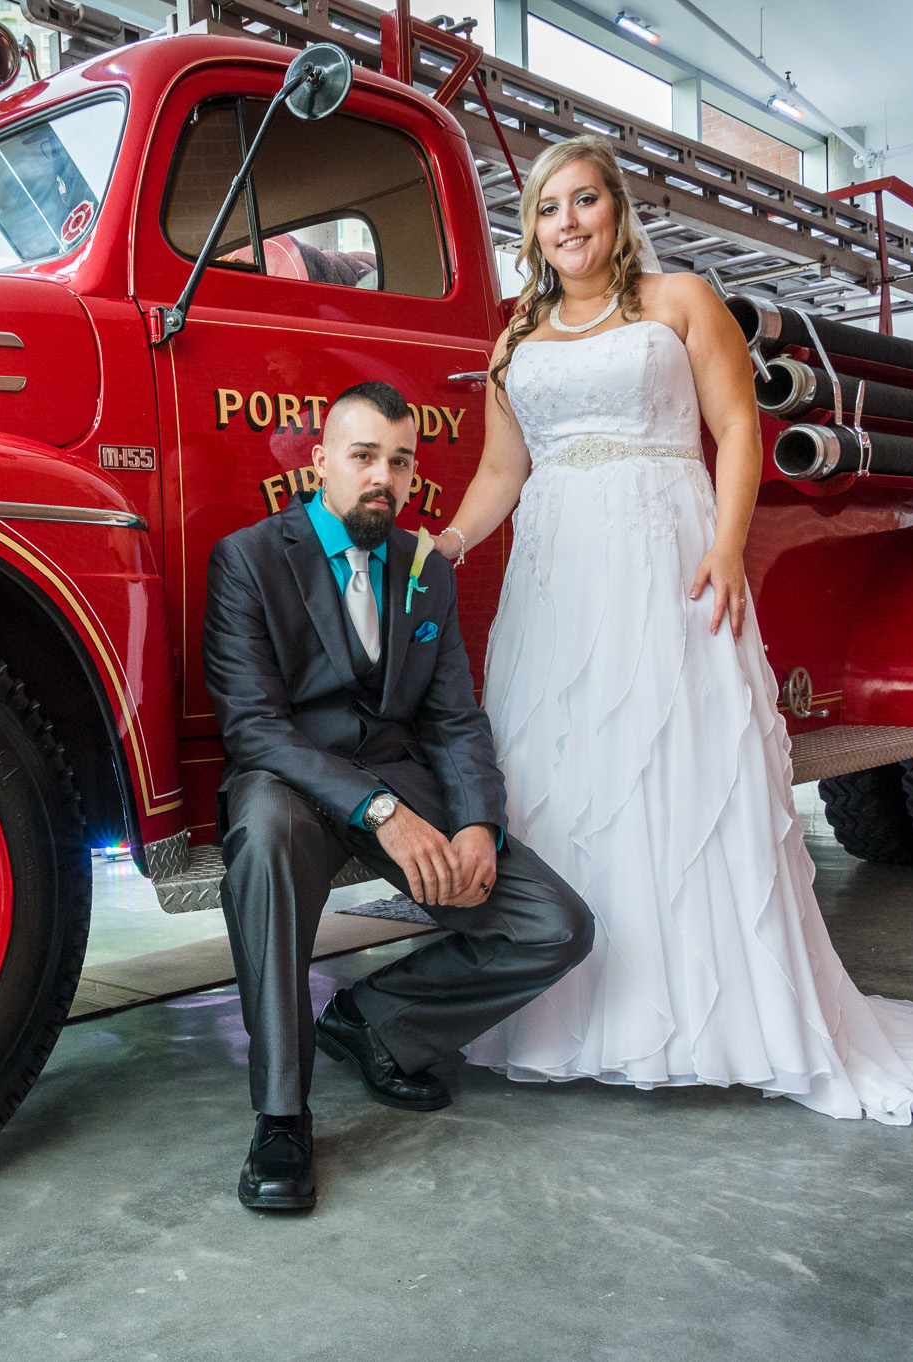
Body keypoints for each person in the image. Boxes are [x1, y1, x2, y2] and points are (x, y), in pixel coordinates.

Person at [439, 136, 913, 1132]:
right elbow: (499, 475)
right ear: (528, 230)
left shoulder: (680, 300)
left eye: (582, 202)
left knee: (679, 769)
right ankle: (564, 1017)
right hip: (556, 573)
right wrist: (444, 543)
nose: (566, 223)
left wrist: (728, 546)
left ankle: (712, 1022)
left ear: (613, 209)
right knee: (567, 774)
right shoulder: (512, 336)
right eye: (545, 209)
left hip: (665, 552)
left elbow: (737, 428)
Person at [202, 380, 594, 1211]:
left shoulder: (426, 571)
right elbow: (254, 729)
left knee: (556, 926)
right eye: (364, 456)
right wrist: (380, 811)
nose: (384, 476)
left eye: (401, 462)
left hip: (408, 785)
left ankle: (375, 1020)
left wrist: (480, 825)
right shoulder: (249, 558)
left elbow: (455, 719)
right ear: (321, 465)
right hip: (293, 786)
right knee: (264, 838)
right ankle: (280, 1116)